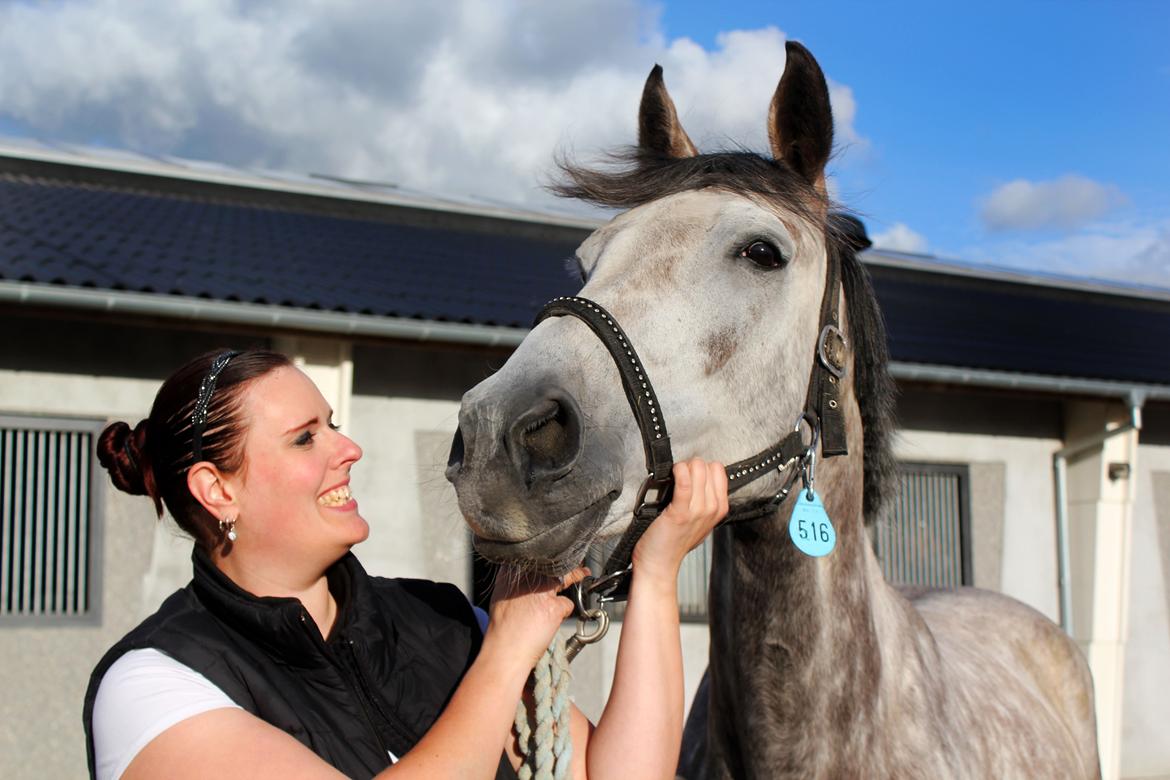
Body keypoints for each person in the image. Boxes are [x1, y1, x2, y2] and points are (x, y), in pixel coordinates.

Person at [84, 349, 729, 779]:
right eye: (305, 438)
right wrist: (505, 654)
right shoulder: (153, 685)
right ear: (216, 490)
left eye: (333, 424)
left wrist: (656, 574)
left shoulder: (441, 621)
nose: (349, 449)